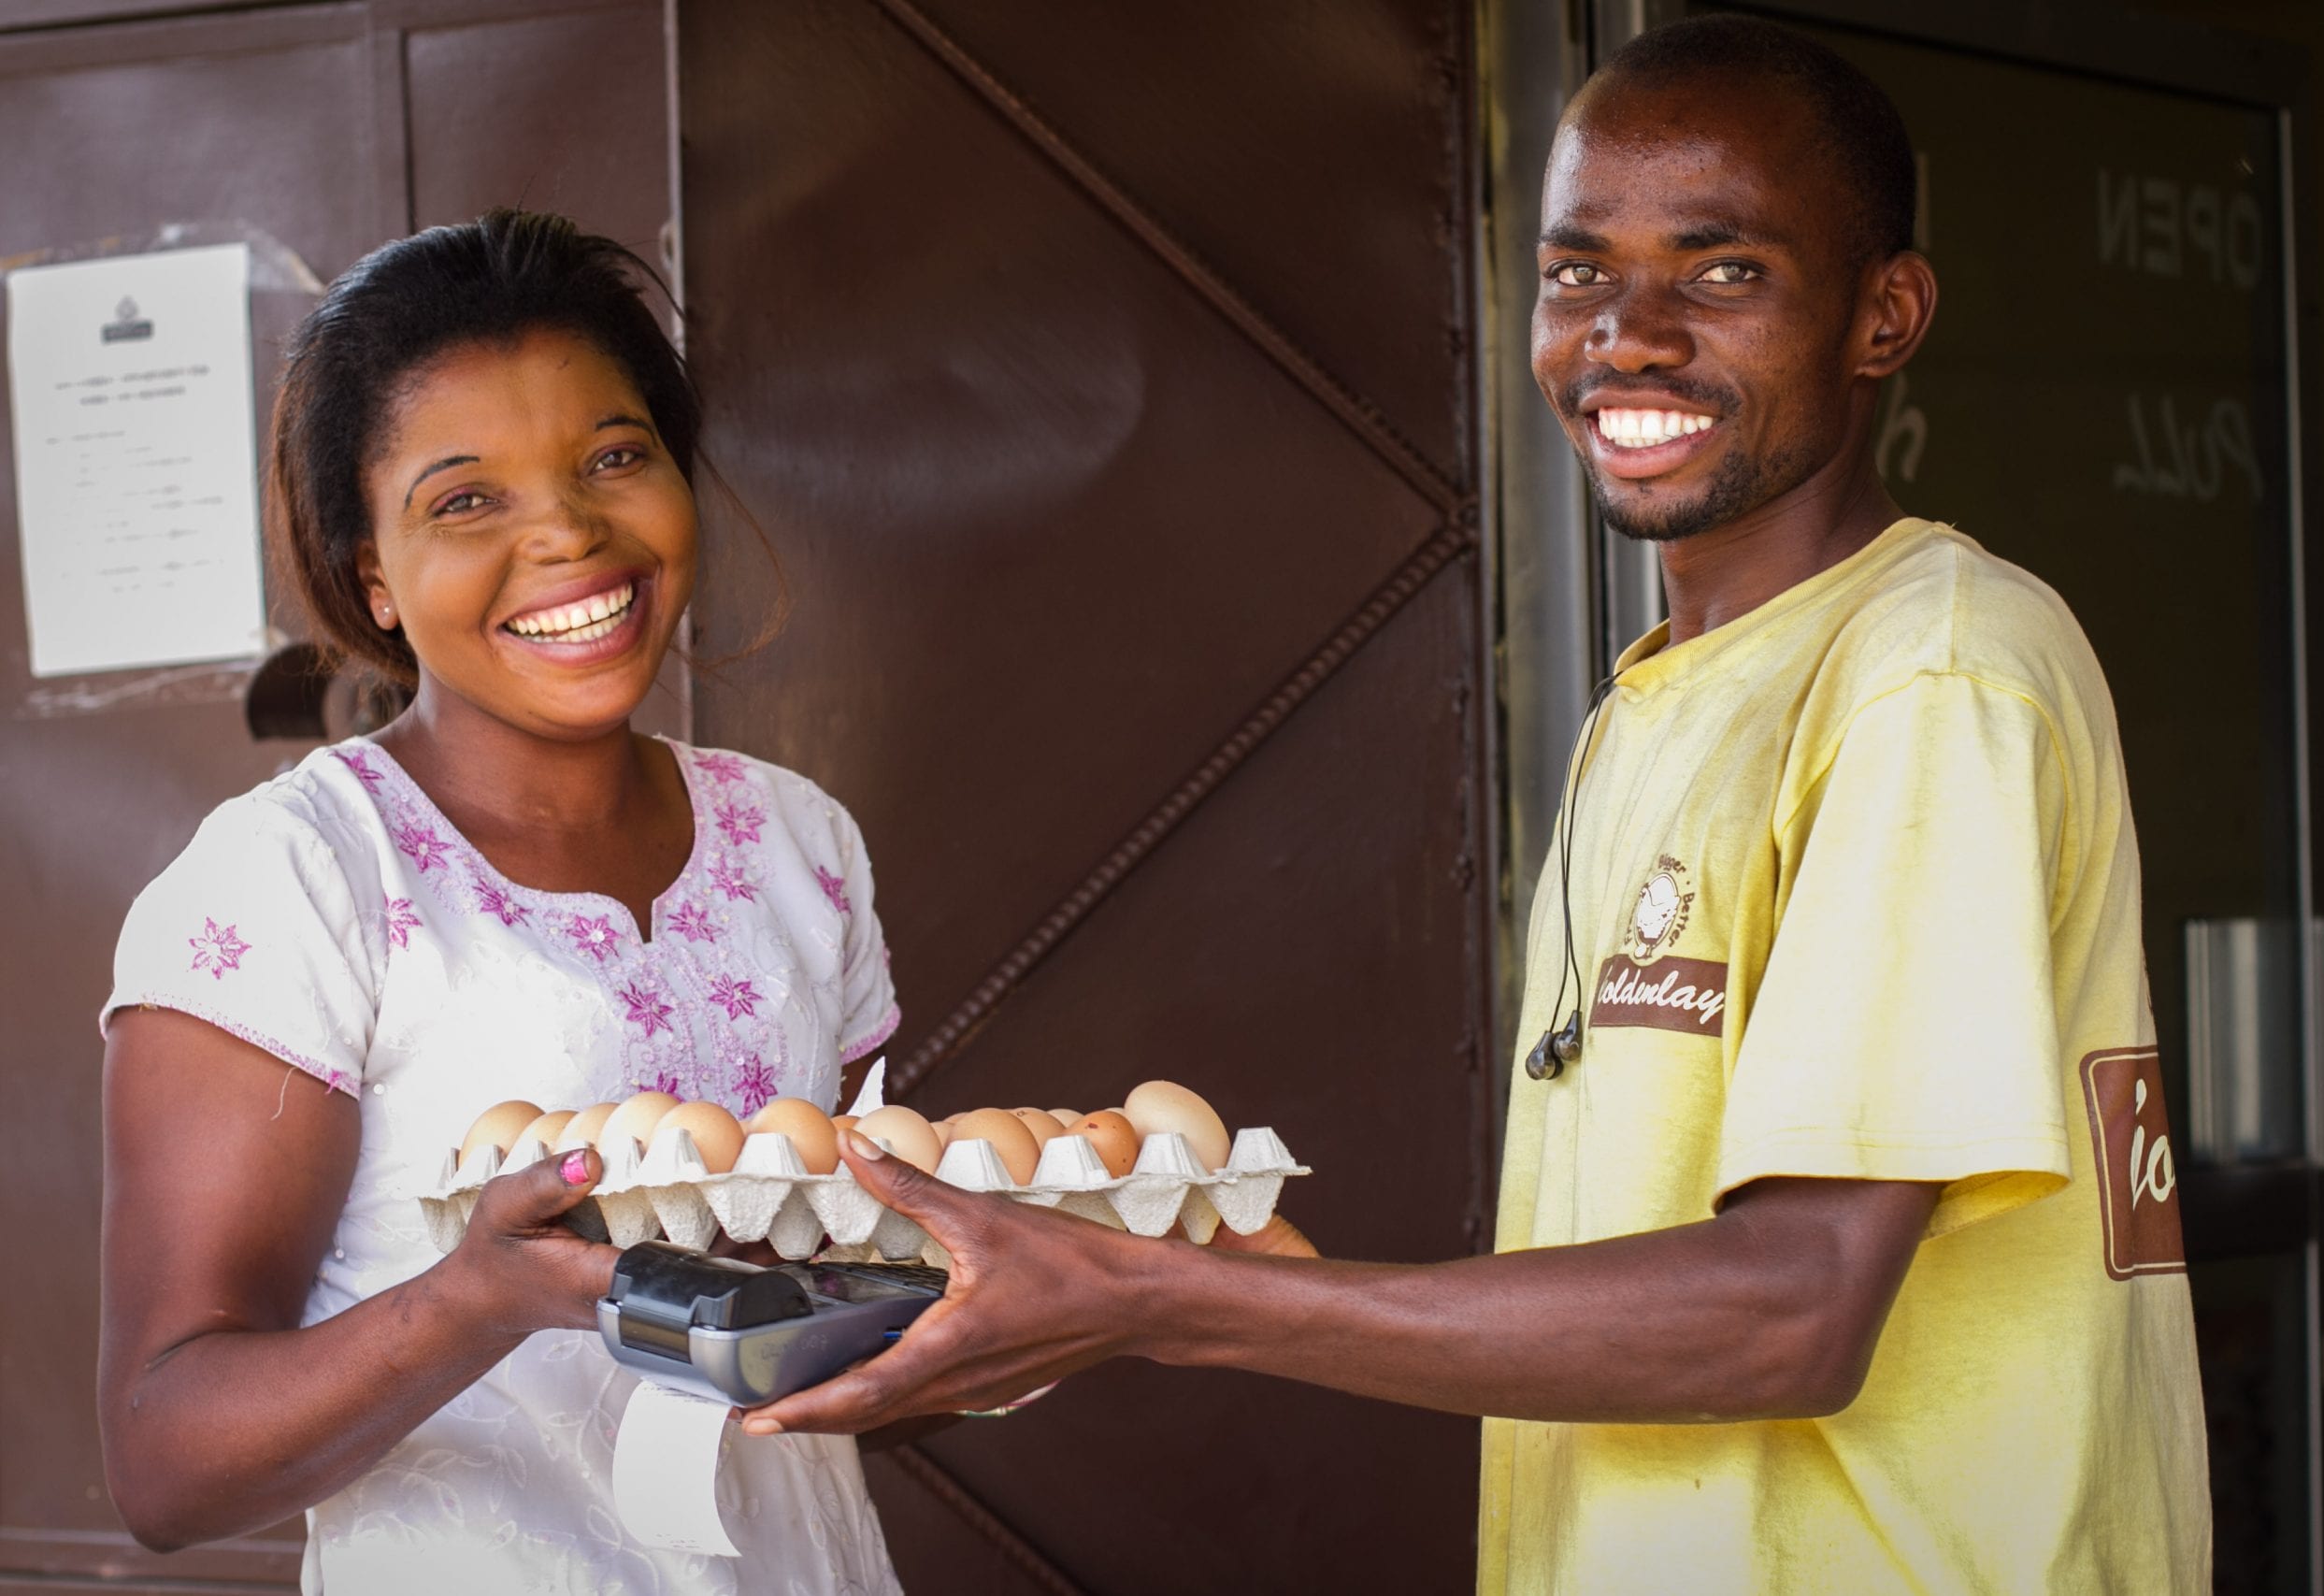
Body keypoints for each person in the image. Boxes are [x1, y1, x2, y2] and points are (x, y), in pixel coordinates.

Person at [740, 17, 2211, 1594]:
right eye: (1581, 272)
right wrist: (1225, 1275)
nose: (1629, 337)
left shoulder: (1935, 671)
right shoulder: (1657, 700)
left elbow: (1797, 1306)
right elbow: (1659, 1293)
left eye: (1723, 273)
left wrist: (1178, 1309)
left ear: (1883, 314)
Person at [97, 211, 907, 1592]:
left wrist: (1032, 1290)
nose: (572, 534)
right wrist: (475, 1302)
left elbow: (844, 1315)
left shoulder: (794, 841)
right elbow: (166, 1463)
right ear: (375, 581)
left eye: (614, 457)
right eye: (466, 500)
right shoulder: (303, 879)